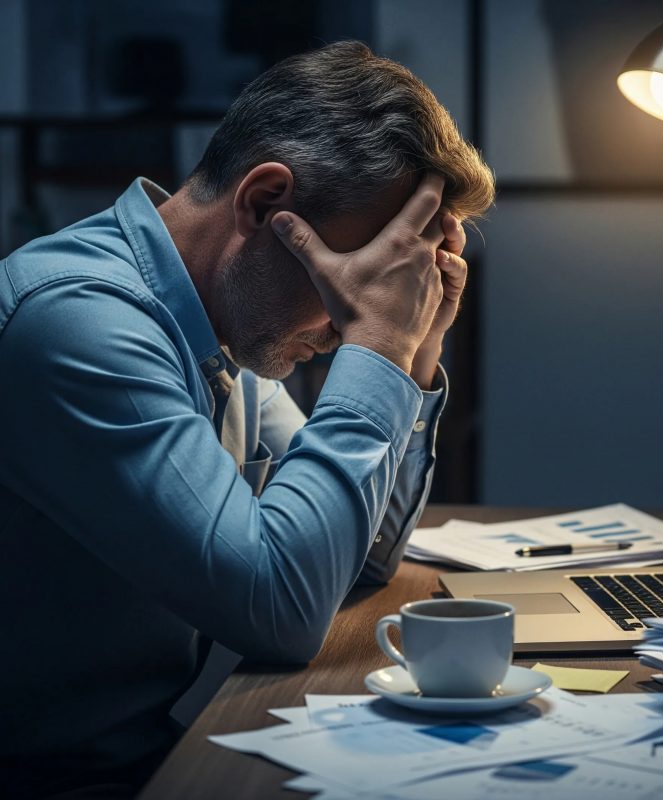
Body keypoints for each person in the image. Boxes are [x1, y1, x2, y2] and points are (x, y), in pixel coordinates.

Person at [0, 41, 494, 797]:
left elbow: (358, 557)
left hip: (154, 755)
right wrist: (379, 349)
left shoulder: (217, 323)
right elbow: (282, 606)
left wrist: (415, 352)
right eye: (356, 279)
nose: (348, 318)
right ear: (266, 204)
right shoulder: (78, 323)